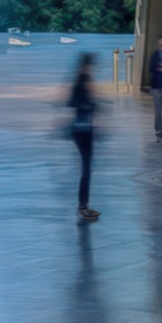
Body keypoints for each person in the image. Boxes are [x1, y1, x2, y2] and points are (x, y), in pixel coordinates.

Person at [66, 52, 99, 222]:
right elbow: (76, 102)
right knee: (86, 168)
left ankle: (83, 203)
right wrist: (90, 103)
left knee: (87, 168)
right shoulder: (83, 80)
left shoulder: (81, 79)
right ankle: (82, 204)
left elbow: (72, 102)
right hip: (83, 130)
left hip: (83, 129)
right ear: (88, 65)